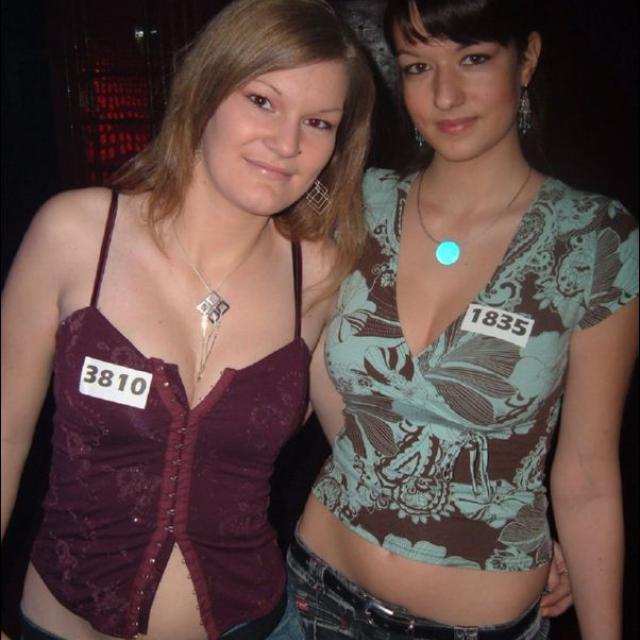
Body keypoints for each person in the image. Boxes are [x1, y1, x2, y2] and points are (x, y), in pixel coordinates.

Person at [0, 0, 376, 638]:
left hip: (252, 625)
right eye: (262, 100)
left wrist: (505, 539)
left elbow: (372, 452)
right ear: (205, 91)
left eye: (318, 122)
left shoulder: (321, 278)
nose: (287, 144)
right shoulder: (78, 235)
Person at [289, 0, 638, 639]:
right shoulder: (356, 204)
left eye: (473, 59)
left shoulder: (592, 239)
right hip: (316, 595)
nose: (445, 95)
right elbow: (310, 376)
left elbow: (588, 475)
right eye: (418, 67)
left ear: (526, 60)